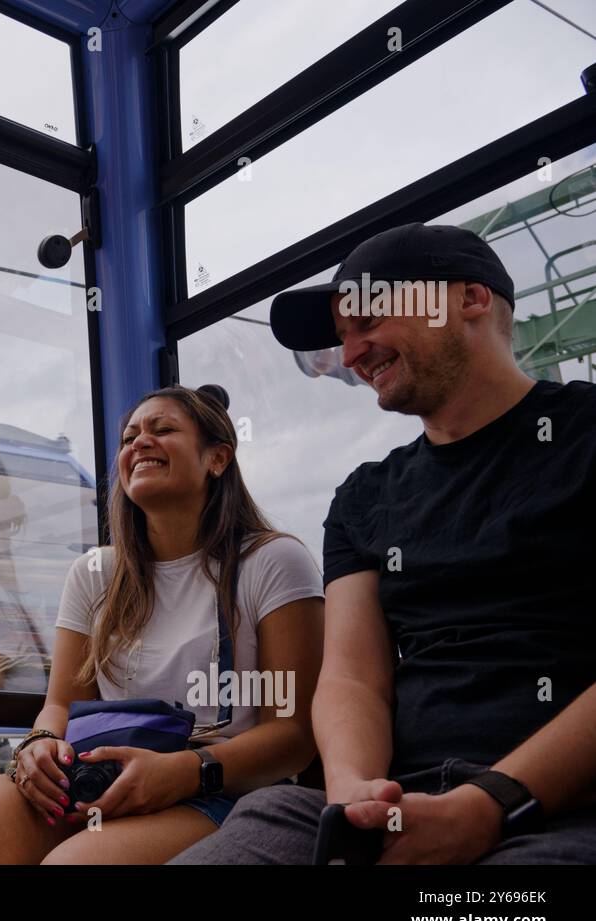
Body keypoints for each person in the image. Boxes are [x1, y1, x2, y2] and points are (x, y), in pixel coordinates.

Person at [170, 223, 596, 865]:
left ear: (470, 299)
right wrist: (355, 803)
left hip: (566, 808)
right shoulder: (365, 498)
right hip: (399, 797)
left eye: (368, 321)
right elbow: (353, 678)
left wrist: (493, 801)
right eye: (342, 337)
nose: (350, 355)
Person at [0, 384, 324, 863]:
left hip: (221, 791)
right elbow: (61, 706)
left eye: (164, 429)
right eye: (129, 437)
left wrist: (181, 772)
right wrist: (41, 744)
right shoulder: (95, 574)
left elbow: (293, 737)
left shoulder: (272, 561)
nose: (139, 443)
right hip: (103, 780)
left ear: (217, 459)